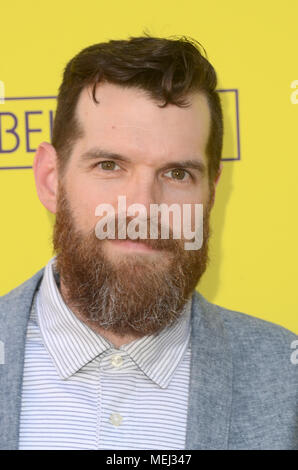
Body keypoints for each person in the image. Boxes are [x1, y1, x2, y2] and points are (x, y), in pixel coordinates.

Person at [0, 34, 297, 451]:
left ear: (211, 194)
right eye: (109, 165)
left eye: (177, 174)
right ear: (51, 178)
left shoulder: (287, 378)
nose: (142, 208)